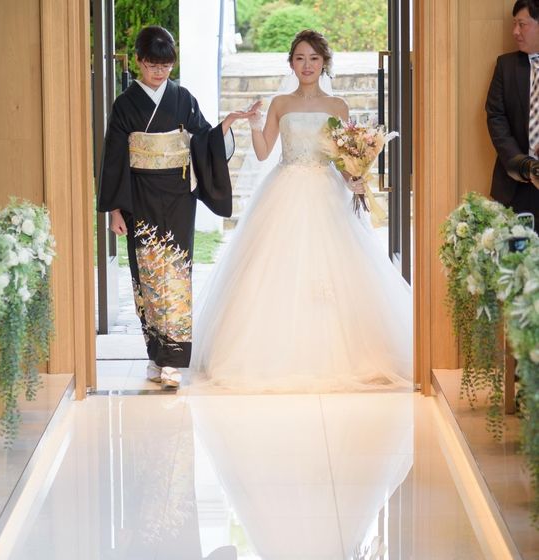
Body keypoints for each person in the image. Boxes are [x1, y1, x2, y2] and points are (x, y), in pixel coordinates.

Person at [190, 30, 413, 392]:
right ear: (291, 63)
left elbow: (343, 158)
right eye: (300, 58)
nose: (306, 65)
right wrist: (255, 126)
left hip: (327, 191)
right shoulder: (281, 103)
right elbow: (264, 152)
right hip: (286, 188)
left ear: (324, 62)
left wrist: (355, 178)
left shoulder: (338, 106)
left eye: (313, 58)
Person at [97, 26, 256, 389]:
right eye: (153, 64)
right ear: (139, 62)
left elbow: (202, 140)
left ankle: (174, 360)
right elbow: (114, 159)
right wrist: (115, 210)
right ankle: (157, 354)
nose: (160, 71)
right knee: (147, 275)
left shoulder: (182, 98)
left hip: (179, 195)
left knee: (177, 273)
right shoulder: (125, 105)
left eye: (166, 65)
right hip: (138, 196)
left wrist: (226, 125)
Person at [486, 0, 539, 232]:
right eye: (513, 24)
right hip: (514, 184)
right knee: (513, 252)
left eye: (522, 24)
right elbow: (495, 116)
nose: (515, 31)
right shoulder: (505, 65)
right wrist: (522, 164)